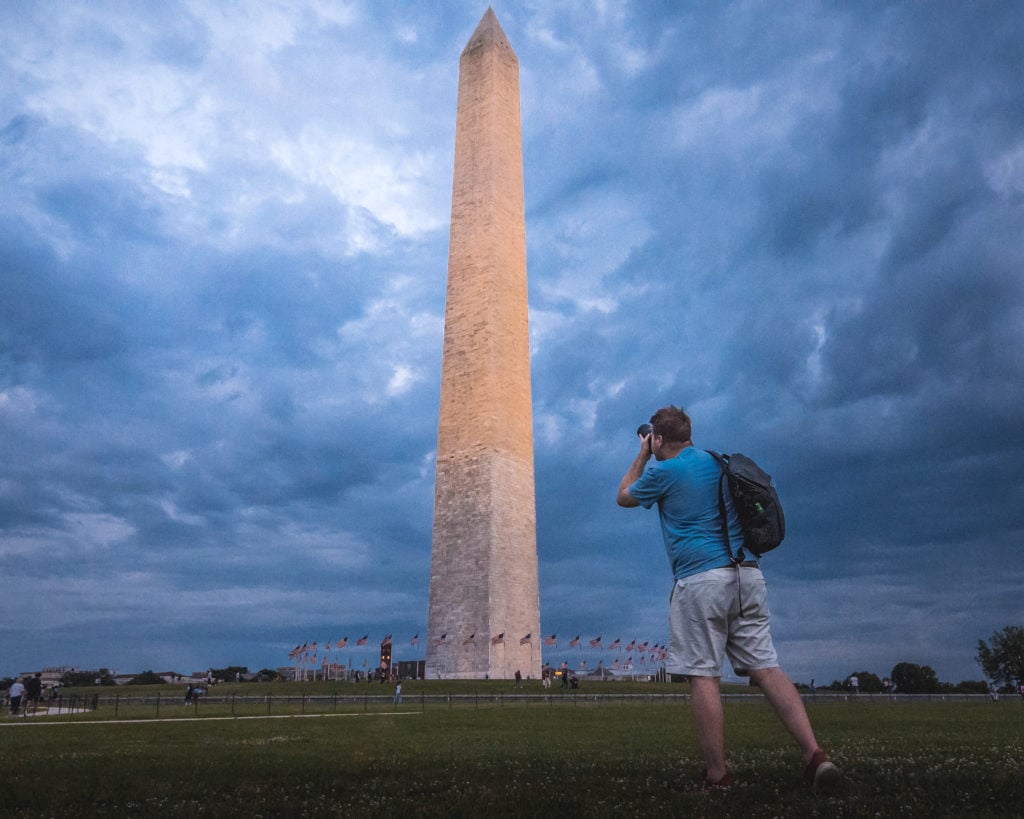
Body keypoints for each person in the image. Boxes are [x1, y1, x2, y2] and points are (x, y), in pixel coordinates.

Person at [617, 405, 840, 790]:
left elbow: (623, 496)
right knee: (766, 667)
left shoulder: (664, 472)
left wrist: (642, 454)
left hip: (701, 580)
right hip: (747, 575)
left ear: (658, 439)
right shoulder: (719, 463)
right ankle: (814, 754)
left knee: (703, 675)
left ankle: (717, 774)